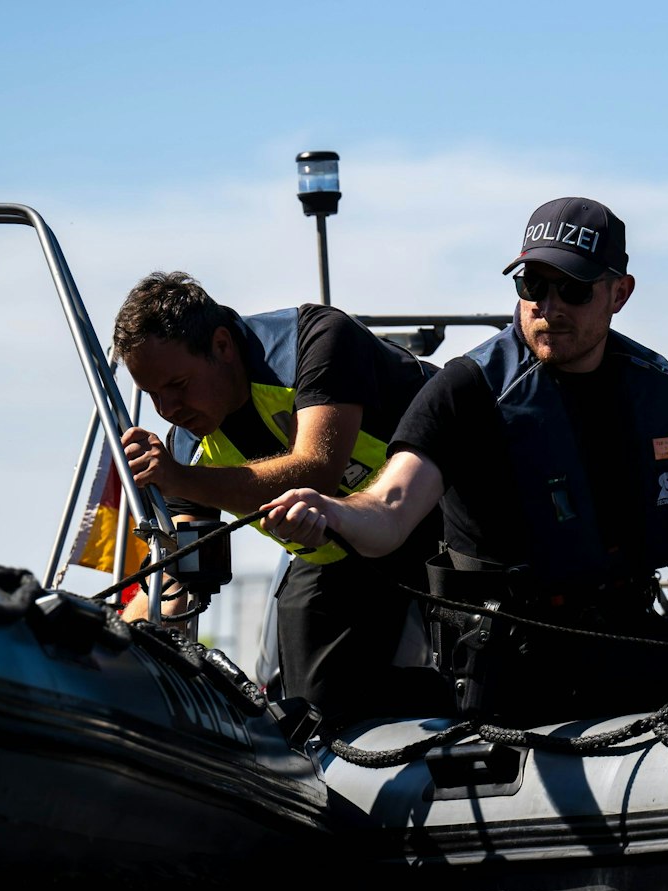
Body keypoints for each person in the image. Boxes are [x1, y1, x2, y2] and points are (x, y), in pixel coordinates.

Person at [260, 196, 668, 722]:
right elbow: (388, 512)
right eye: (532, 286)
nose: (549, 304)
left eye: (572, 288)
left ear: (619, 293)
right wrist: (333, 512)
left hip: (624, 636)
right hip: (514, 659)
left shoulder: (667, 395)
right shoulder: (467, 391)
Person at [112, 272, 446, 725]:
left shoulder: (318, 341)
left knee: (483, 675)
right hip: (340, 557)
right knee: (314, 713)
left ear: (223, 345)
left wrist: (181, 480)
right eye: (153, 395)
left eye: (178, 385)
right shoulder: (187, 449)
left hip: (449, 525)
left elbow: (317, 469)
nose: (167, 409)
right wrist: (107, 641)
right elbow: (179, 577)